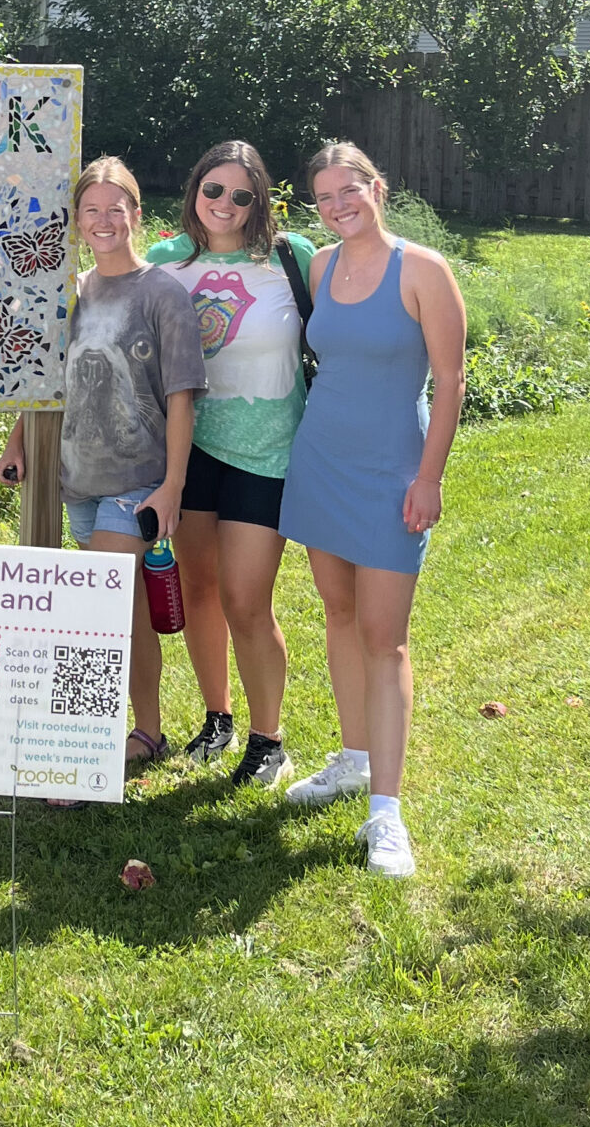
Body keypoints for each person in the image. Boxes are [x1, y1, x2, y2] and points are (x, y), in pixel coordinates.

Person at [278, 141, 467, 878]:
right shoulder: (321, 267)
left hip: (394, 474)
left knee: (385, 640)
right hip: (321, 463)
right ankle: (352, 759)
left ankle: (385, 815)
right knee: (339, 613)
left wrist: (429, 478)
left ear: (376, 188)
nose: (337, 205)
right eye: (323, 196)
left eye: (347, 190)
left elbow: (449, 382)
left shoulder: (422, 270)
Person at [0, 156, 206, 768]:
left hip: (135, 484)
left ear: (137, 215)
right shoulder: (70, 292)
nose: (104, 220)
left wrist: (172, 486)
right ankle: (147, 729)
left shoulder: (162, 293)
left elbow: (181, 397)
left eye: (117, 208)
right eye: (92, 210)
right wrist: (17, 441)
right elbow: (46, 379)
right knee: (125, 607)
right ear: (77, 220)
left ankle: (79, 745)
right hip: (76, 481)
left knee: (96, 605)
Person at [145, 140, 316, 787]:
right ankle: (217, 718)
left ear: (259, 203)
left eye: (241, 195)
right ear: (194, 191)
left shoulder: (290, 258)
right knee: (199, 590)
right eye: (212, 189)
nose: (224, 204)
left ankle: (268, 740)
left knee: (248, 599)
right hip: (187, 455)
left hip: (267, 453)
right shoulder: (166, 262)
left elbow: (350, 310)